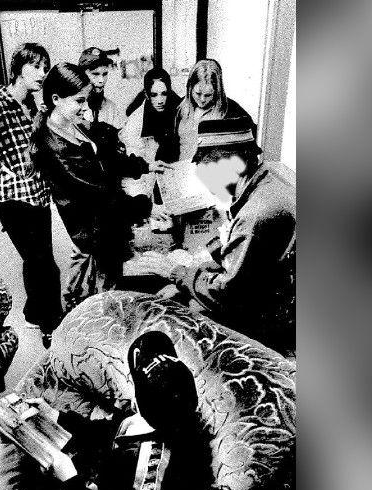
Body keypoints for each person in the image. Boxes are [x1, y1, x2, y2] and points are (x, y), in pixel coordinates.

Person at [0, 331, 211, 490]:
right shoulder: (153, 416)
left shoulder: (158, 467)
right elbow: (110, 431)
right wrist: (54, 415)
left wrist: (70, 479)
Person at [138, 118, 296, 354]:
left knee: (182, 316)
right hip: (278, 294)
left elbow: (229, 295)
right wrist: (188, 280)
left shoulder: (256, 215)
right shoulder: (267, 178)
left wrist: (177, 274)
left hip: (280, 319)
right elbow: (242, 261)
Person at [30, 63, 169, 312]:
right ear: (56, 99)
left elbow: (106, 157)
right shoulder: (54, 147)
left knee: (109, 296)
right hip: (91, 236)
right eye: (79, 101)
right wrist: (146, 207)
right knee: (98, 306)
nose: (85, 107)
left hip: (105, 227)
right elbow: (99, 195)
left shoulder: (73, 123)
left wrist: (145, 167)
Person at [0, 43, 61, 347]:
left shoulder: (34, 106)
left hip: (36, 192)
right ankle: (51, 323)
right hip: (11, 197)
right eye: (35, 66)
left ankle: (35, 310)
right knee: (43, 263)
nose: (41, 73)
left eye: (44, 67)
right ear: (17, 68)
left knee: (36, 258)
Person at [158, 59, 255, 164]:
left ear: (217, 91)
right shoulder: (178, 108)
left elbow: (250, 150)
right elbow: (165, 146)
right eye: (198, 93)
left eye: (208, 95)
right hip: (180, 172)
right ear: (190, 88)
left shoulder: (232, 110)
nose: (202, 99)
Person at [119, 68, 183, 197]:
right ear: (147, 94)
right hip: (145, 181)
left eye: (164, 93)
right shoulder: (136, 122)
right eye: (154, 95)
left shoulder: (178, 109)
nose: (160, 100)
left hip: (174, 175)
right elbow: (134, 170)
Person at [78, 47, 127, 130]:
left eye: (105, 74)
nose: (101, 80)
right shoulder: (73, 105)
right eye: (95, 74)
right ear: (82, 74)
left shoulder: (110, 107)